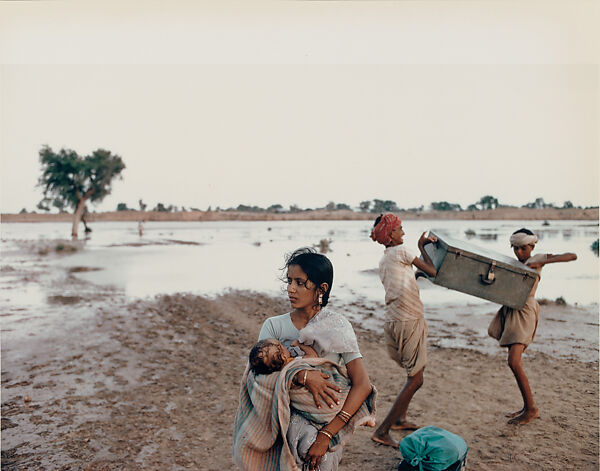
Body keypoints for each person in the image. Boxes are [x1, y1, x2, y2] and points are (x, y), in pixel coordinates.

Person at [233, 248, 374, 471]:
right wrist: (302, 376)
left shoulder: (337, 327)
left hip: (327, 423)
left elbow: (362, 384)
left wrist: (327, 434)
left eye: (300, 282)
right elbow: (256, 379)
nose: (290, 289)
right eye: (289, 281)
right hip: (282, 424)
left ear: (322, 289)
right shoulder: (274, 326)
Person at [488, 228, 577, 425]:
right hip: (512, 308)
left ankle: (531, 409)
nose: (519, 252)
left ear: (531, 246)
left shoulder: (536, 257)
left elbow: (572, 255)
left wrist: (543, 261)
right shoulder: (514, 263)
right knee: (513, 360)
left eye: (522, 248)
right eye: (515, 248)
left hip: (525, 311)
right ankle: (526, 407)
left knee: (514, 361)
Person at [369, 214, 438, 448]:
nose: (403, 233)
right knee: (416, 379)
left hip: (394, 320)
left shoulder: (386, 258)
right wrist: (422, 247)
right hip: (409, 320)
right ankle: (383, 430)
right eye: (399, 229)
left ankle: (399, 419)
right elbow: (433, 271)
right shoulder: (404, 251)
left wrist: (416, 273)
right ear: (390, 235)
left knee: (415, 372)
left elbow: (403, 281)